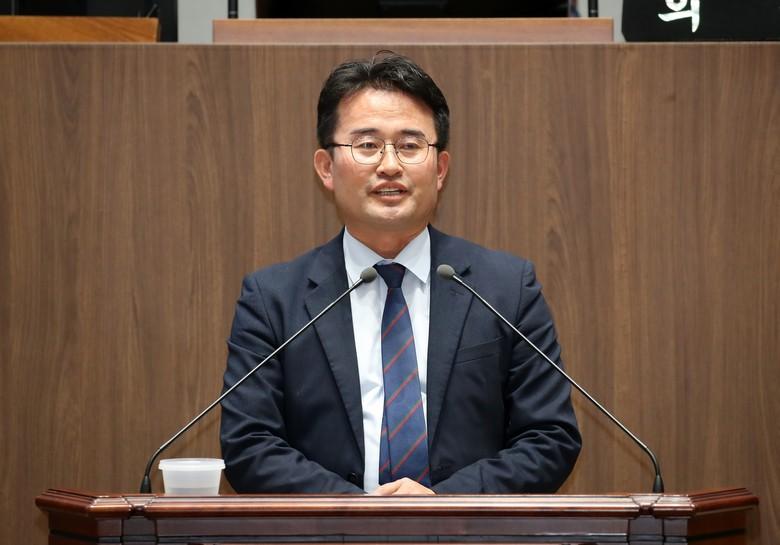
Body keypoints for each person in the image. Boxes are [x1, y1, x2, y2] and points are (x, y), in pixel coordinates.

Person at [220, 53, 581, 495]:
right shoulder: (272, 299)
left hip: (467, 531)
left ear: (440, 169)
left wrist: (444, 504)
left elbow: (550, 438)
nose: (389, 165)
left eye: (410, 146)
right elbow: (248, 445)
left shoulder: (506, 289)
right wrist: (357, 512)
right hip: (329, 531)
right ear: (326, 168)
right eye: (367, 145)